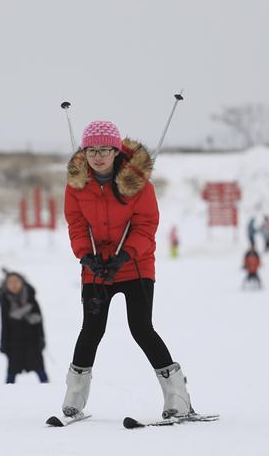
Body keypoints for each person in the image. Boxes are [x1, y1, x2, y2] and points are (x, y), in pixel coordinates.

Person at [61, 120, 198, 420]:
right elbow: (76, 224)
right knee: (91, 330)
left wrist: (126, 256)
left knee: (141, 328)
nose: (98, 156)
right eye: (91, 150)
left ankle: (178, 397)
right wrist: (85, 256)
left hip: (135, 265)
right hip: (96, 266)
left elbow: (146, 224)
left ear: (116, 150)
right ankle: (74, 399)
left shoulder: (137, 183)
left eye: (105, 149)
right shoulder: (76, 186)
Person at [0, 271, 48, 384]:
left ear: (22, 282)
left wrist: (41, 339)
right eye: (10, 282)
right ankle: (6, 394)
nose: (13, 284)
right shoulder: (6, 301)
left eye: (16, 281)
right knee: (11, 373)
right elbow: (4, 324)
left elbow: (39, 321)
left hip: (32, 340)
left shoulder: (31, 298)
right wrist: (3, 343)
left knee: (40, 370)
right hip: (14, 342)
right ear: (6, 285)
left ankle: (48, 388)